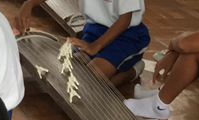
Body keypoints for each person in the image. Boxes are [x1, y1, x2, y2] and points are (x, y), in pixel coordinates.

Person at [15, 0, 149, 86]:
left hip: (128, 35)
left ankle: (133, 71)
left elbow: (125, 20)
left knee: (93, 79)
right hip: (96, 29)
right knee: (75, 72)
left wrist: (95, 46)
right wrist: (29, 3)